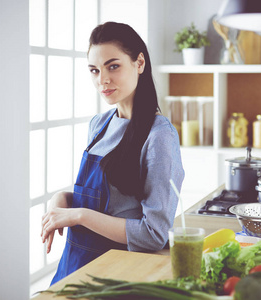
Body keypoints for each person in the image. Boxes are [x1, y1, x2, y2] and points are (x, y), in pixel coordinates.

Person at [41, 21, 185, 285]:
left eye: (113, 66)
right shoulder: (99, 124)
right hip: (74, 267)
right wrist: (61, 199)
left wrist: (79, 215)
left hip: (117, 276)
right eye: (94, 70)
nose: (102, 80)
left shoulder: (160, 136)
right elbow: (113, 202)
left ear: (139, 63)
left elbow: (154, 234)